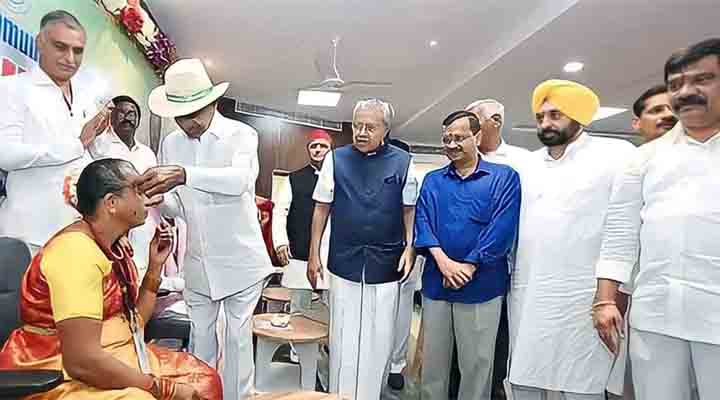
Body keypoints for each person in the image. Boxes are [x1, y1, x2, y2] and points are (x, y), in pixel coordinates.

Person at [0, 158, 222, 400]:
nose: (146, 195)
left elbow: (134, 325)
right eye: (137, 189)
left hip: (112, 354)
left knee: (203, 381)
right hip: (57, 372)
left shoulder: (112, 246)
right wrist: (164, 389)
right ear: (111, 203)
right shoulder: (76, 254)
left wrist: (154, 268)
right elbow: (82, 361)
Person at [593, 38, 720, 400]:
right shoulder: (643, 158)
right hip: (656, 311)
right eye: (676, 84)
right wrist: (604, 300)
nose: (687, 92)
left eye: (702, 79)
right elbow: (620, 232)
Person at [140, 58, 274, 400]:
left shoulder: (241, 135)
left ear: (212, 103)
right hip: (198, 261)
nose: (188, 123)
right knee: (200, 339)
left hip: (240, 259)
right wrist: (158, 200)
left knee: (237, 338)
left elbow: (239, 182)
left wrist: (184, 174)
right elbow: (179, 206)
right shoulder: (171, 143)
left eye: (194, 113)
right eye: (180, 116)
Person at [507, 79, 636, 400]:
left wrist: (608, 298)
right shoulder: (528, 165)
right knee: (525, 375)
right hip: (531, 292)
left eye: (555, 115)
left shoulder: (615, 155)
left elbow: (622, 228)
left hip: (584, 295)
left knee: (582, 382)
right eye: (540, 117)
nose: (546, 123)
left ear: (578, 115)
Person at [307, 98, 419, 400]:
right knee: (342, 335)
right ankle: (339, 395)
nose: (361, 132)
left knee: (379, 337)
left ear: (385, 130)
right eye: (357, 126)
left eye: (370, 127)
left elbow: (409, 209)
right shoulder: (336, 159)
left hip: (386, 261)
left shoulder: (403, 162)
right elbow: (321, 208)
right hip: (344, 259)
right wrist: (314, 254)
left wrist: (410, 247)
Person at [415, 110, 521, 400]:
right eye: (446, 138)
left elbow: (502, 228)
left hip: (482, 286)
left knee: (477, 367)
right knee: (433, 366)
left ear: (477, 136)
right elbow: (423, 222)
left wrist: (470, 265)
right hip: (437, 284)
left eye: (459, 138)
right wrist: (444, 263)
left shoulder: (504, 178)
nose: (451, 144)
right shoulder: (433, 180)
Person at [0, 10, 112, 254]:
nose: (70, 58)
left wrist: (101, 137)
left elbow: (94, 156)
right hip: (29, 235)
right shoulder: (12, 88)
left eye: (78, 51)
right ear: (40, 42)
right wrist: (77, 144)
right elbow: (5, 154)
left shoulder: (86, 97)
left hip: (81, 233)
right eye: (60, 47)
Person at [465, 98, 529, 400]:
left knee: (499, 341)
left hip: (504, 267)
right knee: (463, 346)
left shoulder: (522, 162)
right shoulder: (461, 159)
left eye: (474, 123)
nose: (468, 131)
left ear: (496, 122)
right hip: (461, 269)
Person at [271, 128, 332, 388]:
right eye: (313, 146)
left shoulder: (339, 177)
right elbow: (280, 211)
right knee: (298, 306)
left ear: (330, 150)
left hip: (331, 256)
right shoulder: (294, 178)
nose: (318, 150)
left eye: (322, 146)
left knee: (331, 309)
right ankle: (299, 355)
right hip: (299, 252)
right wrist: (280, 241)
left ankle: (327, 356)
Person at [89, 95, 161, 278]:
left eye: (132, 113)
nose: (127, 117)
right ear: (111, 117)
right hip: (112, 223)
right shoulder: (99, 146)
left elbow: (154, 188)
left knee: (141, 271)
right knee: (112, 275)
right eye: (121, 112)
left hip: (143, 222)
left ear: (138, 120)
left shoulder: (147, 153)